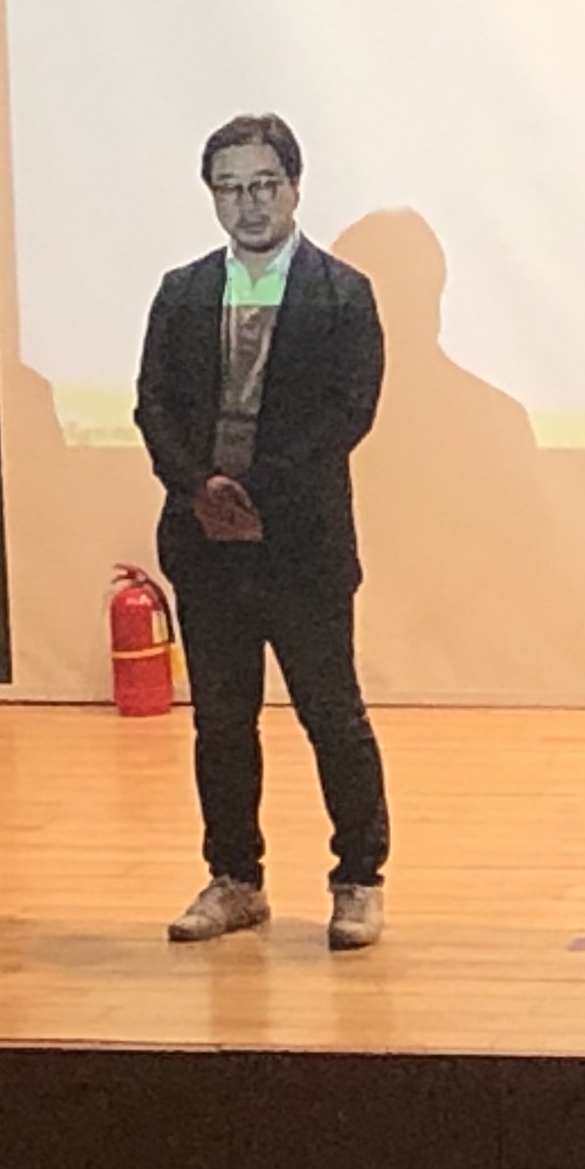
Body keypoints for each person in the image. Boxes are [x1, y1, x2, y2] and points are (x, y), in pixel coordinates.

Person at [138, 115, 394, 954]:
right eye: (229, 189)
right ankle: (235, 879)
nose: (248, 205)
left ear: (294, 187)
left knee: (332, 715)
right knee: (221, 722)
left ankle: (358, 878)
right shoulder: (182, 291)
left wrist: (255, 491)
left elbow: (348, 413)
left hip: (302, 544)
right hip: (203, 541)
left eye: (263, 186)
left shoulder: (342, 293)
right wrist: (198, 487)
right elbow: (153, 405)